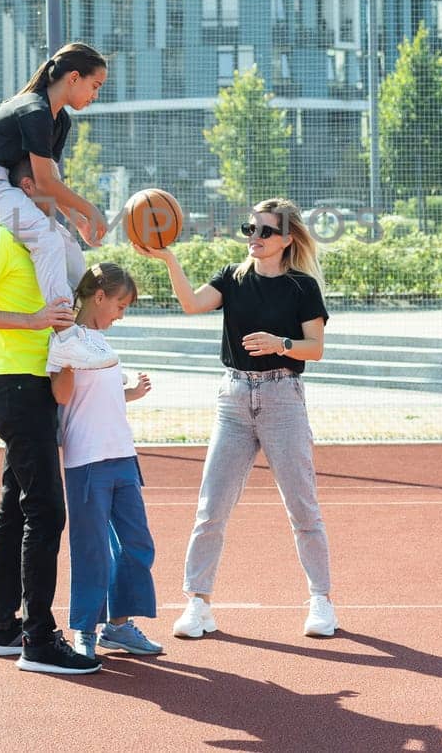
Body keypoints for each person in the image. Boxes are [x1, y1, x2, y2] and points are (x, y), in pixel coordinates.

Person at [136, 197, 337, 639]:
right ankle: (197, 604)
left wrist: (279, 343)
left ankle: (321, 600)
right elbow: (190, 304)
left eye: (265, 232)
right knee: (211, 509)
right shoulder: (232, 277)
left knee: (302, 508)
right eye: (251, 229)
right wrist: (170, 259)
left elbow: (315, 349)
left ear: (286, 239)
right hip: (233, 398)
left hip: (282, 397)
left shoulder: (302, 287)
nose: (255, 238)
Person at [0, 158, 100, 676]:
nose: (63, 189)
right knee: (46, 512)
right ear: (26, 186)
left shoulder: (49, 243)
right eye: (52, 181)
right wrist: (31, 321)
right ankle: (39, 638)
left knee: (16, 507)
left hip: (34, 385)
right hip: (14, 387)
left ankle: (3, 627)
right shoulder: (0, 240)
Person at [0, 41, 112, 372]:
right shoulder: (34, 109)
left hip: (7, 185)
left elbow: (48, 178)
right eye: (94, 86)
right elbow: (42, 182)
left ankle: (79, 335)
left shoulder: (59, 121)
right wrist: (90, 211)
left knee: (66, 244)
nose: (95, 95)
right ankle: (66, 338)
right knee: (46, 235)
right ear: (73, 77)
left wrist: (76, 221)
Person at [49, 262, 163, 660]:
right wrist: (62, 361)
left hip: (122, 457)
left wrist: (130, 393)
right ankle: (85, 628)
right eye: (121, 304)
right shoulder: (67, 337)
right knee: (92, 548)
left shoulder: (100, 342)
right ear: (99, 296)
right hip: (88, 461)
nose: (122, 313)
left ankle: (119, 627)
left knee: (136, 544)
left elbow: (100, 396)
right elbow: (64, 397)